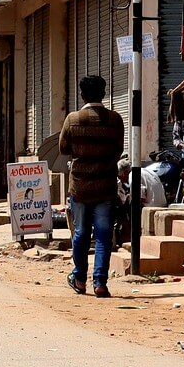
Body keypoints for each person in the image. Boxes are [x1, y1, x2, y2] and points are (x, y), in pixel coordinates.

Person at [59, 75, 125, 298]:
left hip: (80, 188)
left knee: (81, 232)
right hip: (105, 186)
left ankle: (79, 278)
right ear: (103, 94)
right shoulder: (115, 120)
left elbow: (63, 148)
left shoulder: (72, 119)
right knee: (104, 235)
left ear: (82, 95)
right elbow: (118, 149)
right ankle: (100, 283)